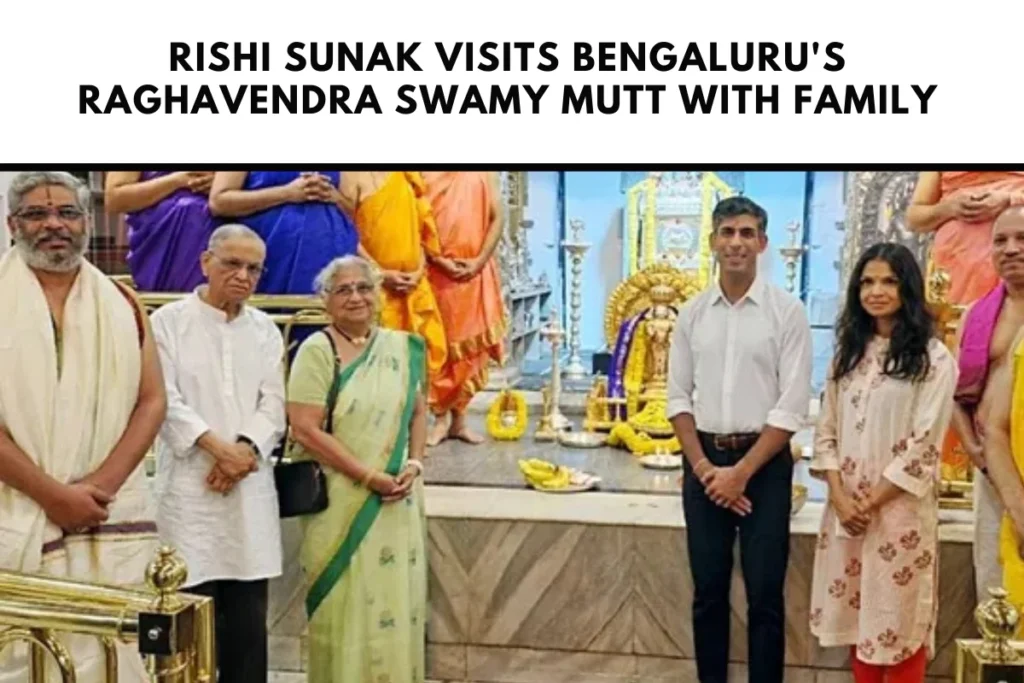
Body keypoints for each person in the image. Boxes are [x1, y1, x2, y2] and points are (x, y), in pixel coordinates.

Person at [0, 171, 166, 682]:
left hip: (106, 513)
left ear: (86, 222)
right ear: (12, 223)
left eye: (67, 213)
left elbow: (152, 400)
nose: (54, 224)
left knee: (118, 655)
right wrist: (53, 496)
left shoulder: (123, 302)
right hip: (21, 507)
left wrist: (100, 488)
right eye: (36, 214)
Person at [666, 196, 812, 683]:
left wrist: (741, 473)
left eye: (747, 233)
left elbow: (790, 407)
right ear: (712, 242)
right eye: (727, 233)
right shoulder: (692, 314)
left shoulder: (787, 313)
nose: (736, 243)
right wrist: (707, 470)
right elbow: (678, 399)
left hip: (764, 469)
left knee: (765, 597)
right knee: (707, 592)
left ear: (762, 243)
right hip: (704, 464)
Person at [808, 242, 957, 683]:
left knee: (898, 620)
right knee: (859, 618)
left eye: (889, 281)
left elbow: (924, 444)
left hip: (897, 513)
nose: (876, 291)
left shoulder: (932, 359)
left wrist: (869, 502)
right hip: (847, 511)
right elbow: (827, 429)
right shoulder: (847, 355)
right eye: (867, 282)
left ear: (907, 288)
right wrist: (839, 496)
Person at [149, 223, 286, 683]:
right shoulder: (167, 322)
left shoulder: (265, 329)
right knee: (188, 610)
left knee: (248, 617)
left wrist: (243, 452)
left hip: (249, 488)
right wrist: (216, 449)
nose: (243, 276)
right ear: (205, 262)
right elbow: (162, 399)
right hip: (190, 487)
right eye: (232, 263)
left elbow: (274, 403)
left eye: (254, 269)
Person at [285, 255, 427, 683]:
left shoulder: (403, 347)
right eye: (343, 290)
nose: (356, 297)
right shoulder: (316, 350)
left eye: (364, 288)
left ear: (378, 295)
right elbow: (305, 430)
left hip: (398, 500)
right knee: (345, 606)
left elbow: (420, 412)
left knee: (396, 602)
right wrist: (368, 476)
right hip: (342, 502)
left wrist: (416, 462)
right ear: (325, 301)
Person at [948, 206, 1024, 603]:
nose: (1010, 249)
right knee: (994, 586)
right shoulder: (978, 315)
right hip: (992, 471)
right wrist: (977, 452)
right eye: (1000, 240)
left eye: (1021, 239)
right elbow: (956, 394)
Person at [423, 171, 506, 446]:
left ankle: (459, 420)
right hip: (436, 274)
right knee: (439, 348)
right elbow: (417, 222)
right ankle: (440, 418)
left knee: (470, 355)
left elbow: (497, 217)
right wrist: (437, 259)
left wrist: (480, 260)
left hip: (475, 273)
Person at [341, 171, 448, 381]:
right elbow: (345, 233)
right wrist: (378, 273)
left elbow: (421, 231)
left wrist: (418, 272)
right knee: (380, 372)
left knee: (418, 374)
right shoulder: (353, 176)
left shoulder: (408, 176)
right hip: (376, 291)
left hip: (414, 287)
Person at [207, 171, 361, 294]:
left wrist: (334, 196)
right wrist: (287, 193)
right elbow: (219, 201)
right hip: (272, 254)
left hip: (332, 255)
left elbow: (350, 210)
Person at [906, 171, 1024, 305]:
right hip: (956, 262)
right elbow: (913, 219)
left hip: (1015, 256)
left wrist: (1011, 200)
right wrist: (948, 208)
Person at [104, 171, 217, 292]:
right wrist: (178, 180)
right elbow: (114, 199)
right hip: (163, 237)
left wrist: (221, 186)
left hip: (222, 234)